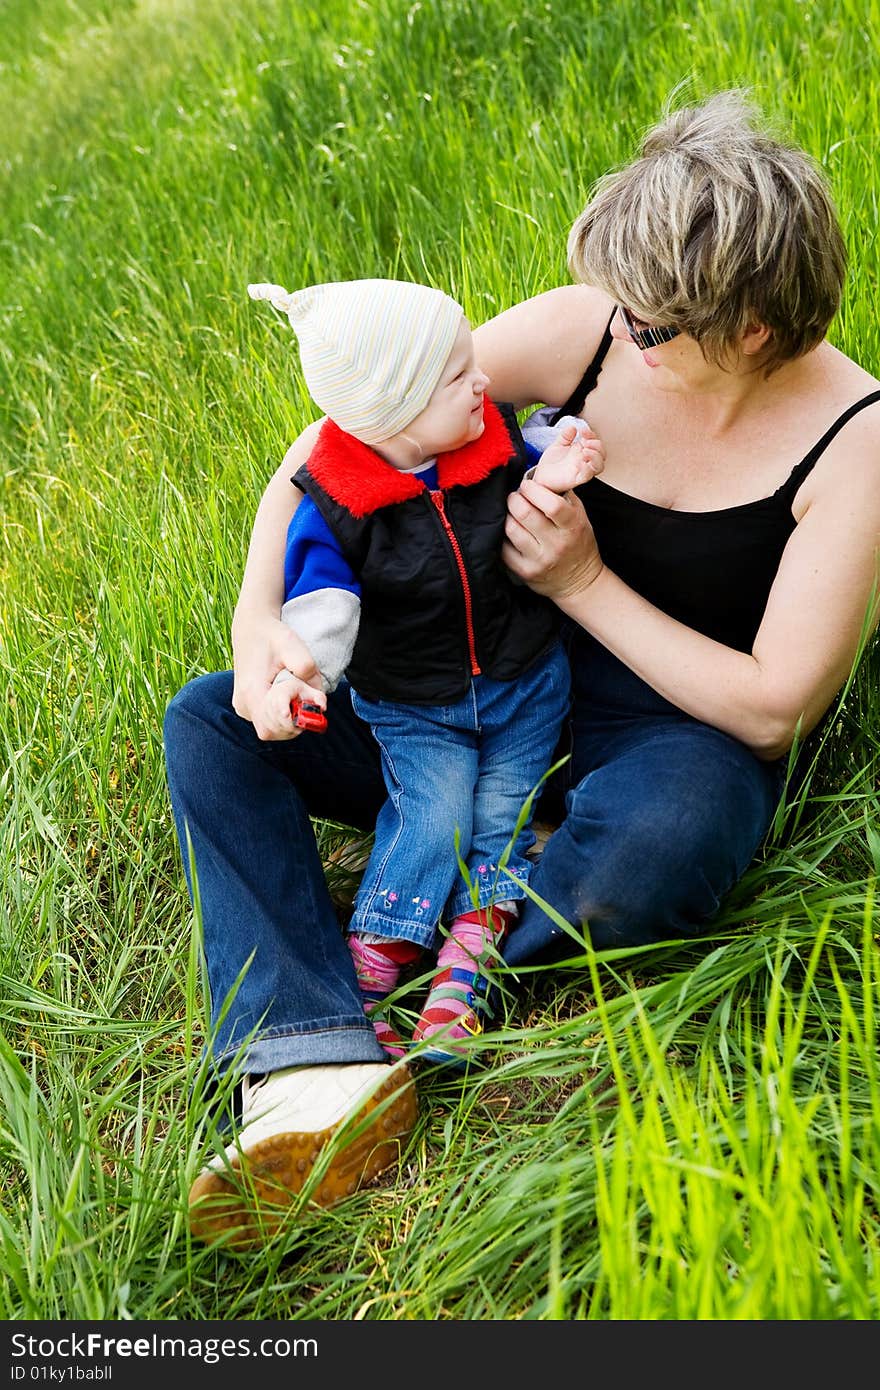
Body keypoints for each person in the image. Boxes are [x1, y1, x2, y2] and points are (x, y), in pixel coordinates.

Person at [164, 90, 880, 1249]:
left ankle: (458, 949)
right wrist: (260, 618)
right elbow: (329, 448)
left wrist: (583, 581)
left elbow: (773, 708)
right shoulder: (587, 329)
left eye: (652, 323)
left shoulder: (854, 442)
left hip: (670, 732)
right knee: (210, 722)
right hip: (466, 694)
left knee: (659, 851)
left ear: (750, 327)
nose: (625, 333)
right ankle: (308, 1052)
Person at [245, 276, 598, 1066]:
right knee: (433, 816)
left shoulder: (490, 437)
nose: (482, 379)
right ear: (389, 408)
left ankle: (460, 979)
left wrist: (562, 464)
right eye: (454, 374)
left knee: (502, 813)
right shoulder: (340, 501)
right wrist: (305, 677)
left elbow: (534, 466)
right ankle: (371, 971)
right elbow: (324, 608)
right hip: (417, 704)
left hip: (525, 684)